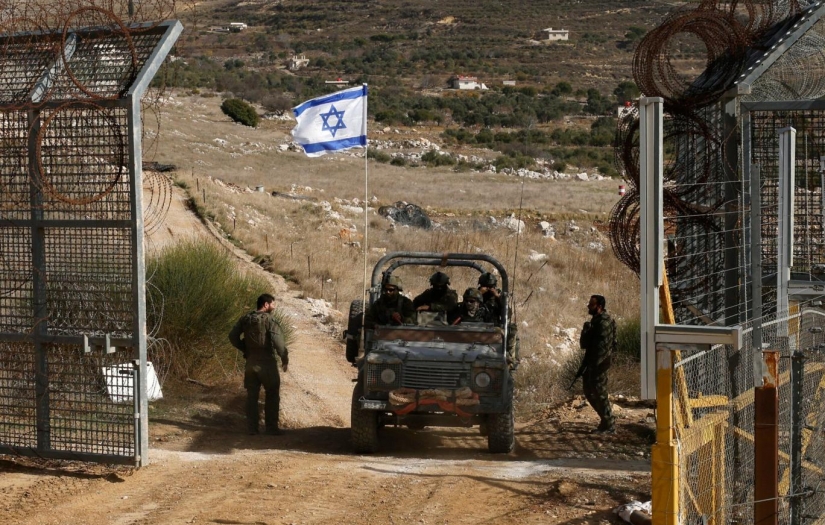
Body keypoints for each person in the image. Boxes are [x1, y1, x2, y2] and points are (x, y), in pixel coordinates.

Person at [229, 293, 289, 436]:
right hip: (267, 364)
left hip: (250, 363)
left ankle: (252, 428)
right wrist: (284, 358)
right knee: (272, 394)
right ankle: (271, 428)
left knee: (252, 396)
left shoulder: (245, 319)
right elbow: (279, 343)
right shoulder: (270, 320)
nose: (274, 307)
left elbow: (232, 336)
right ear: (266, 305)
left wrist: (245, 349)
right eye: (273, 304)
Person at [577, 294, 617, 434]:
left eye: (591, 304)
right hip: (593, 363)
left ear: (599, 307)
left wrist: (594, 367)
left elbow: (603, 349)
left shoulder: (604, 323)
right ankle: (606, 421)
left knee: (599, 392)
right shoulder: (595, 321)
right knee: (589, 390)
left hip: (600, 363)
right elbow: (584, 345)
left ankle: (609, 424)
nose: (588, 306)